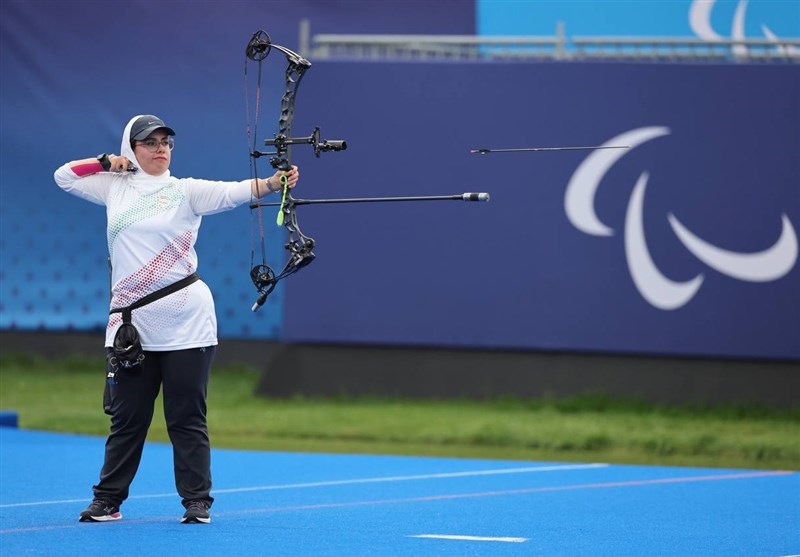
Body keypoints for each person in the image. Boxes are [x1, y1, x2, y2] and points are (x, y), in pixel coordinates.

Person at [54, 114, 298, 524]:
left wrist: (275, 182)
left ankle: (196, 501)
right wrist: (105, 162)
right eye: (150, 143)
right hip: (132, 326)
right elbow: (64, 176)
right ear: (131, 148)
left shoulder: (184, 191)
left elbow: (235, 192)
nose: (161, 149)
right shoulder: (114, 187)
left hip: (187, 322)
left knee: (186, 417)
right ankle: (108, 500)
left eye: (166, 142)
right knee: (128, 419)